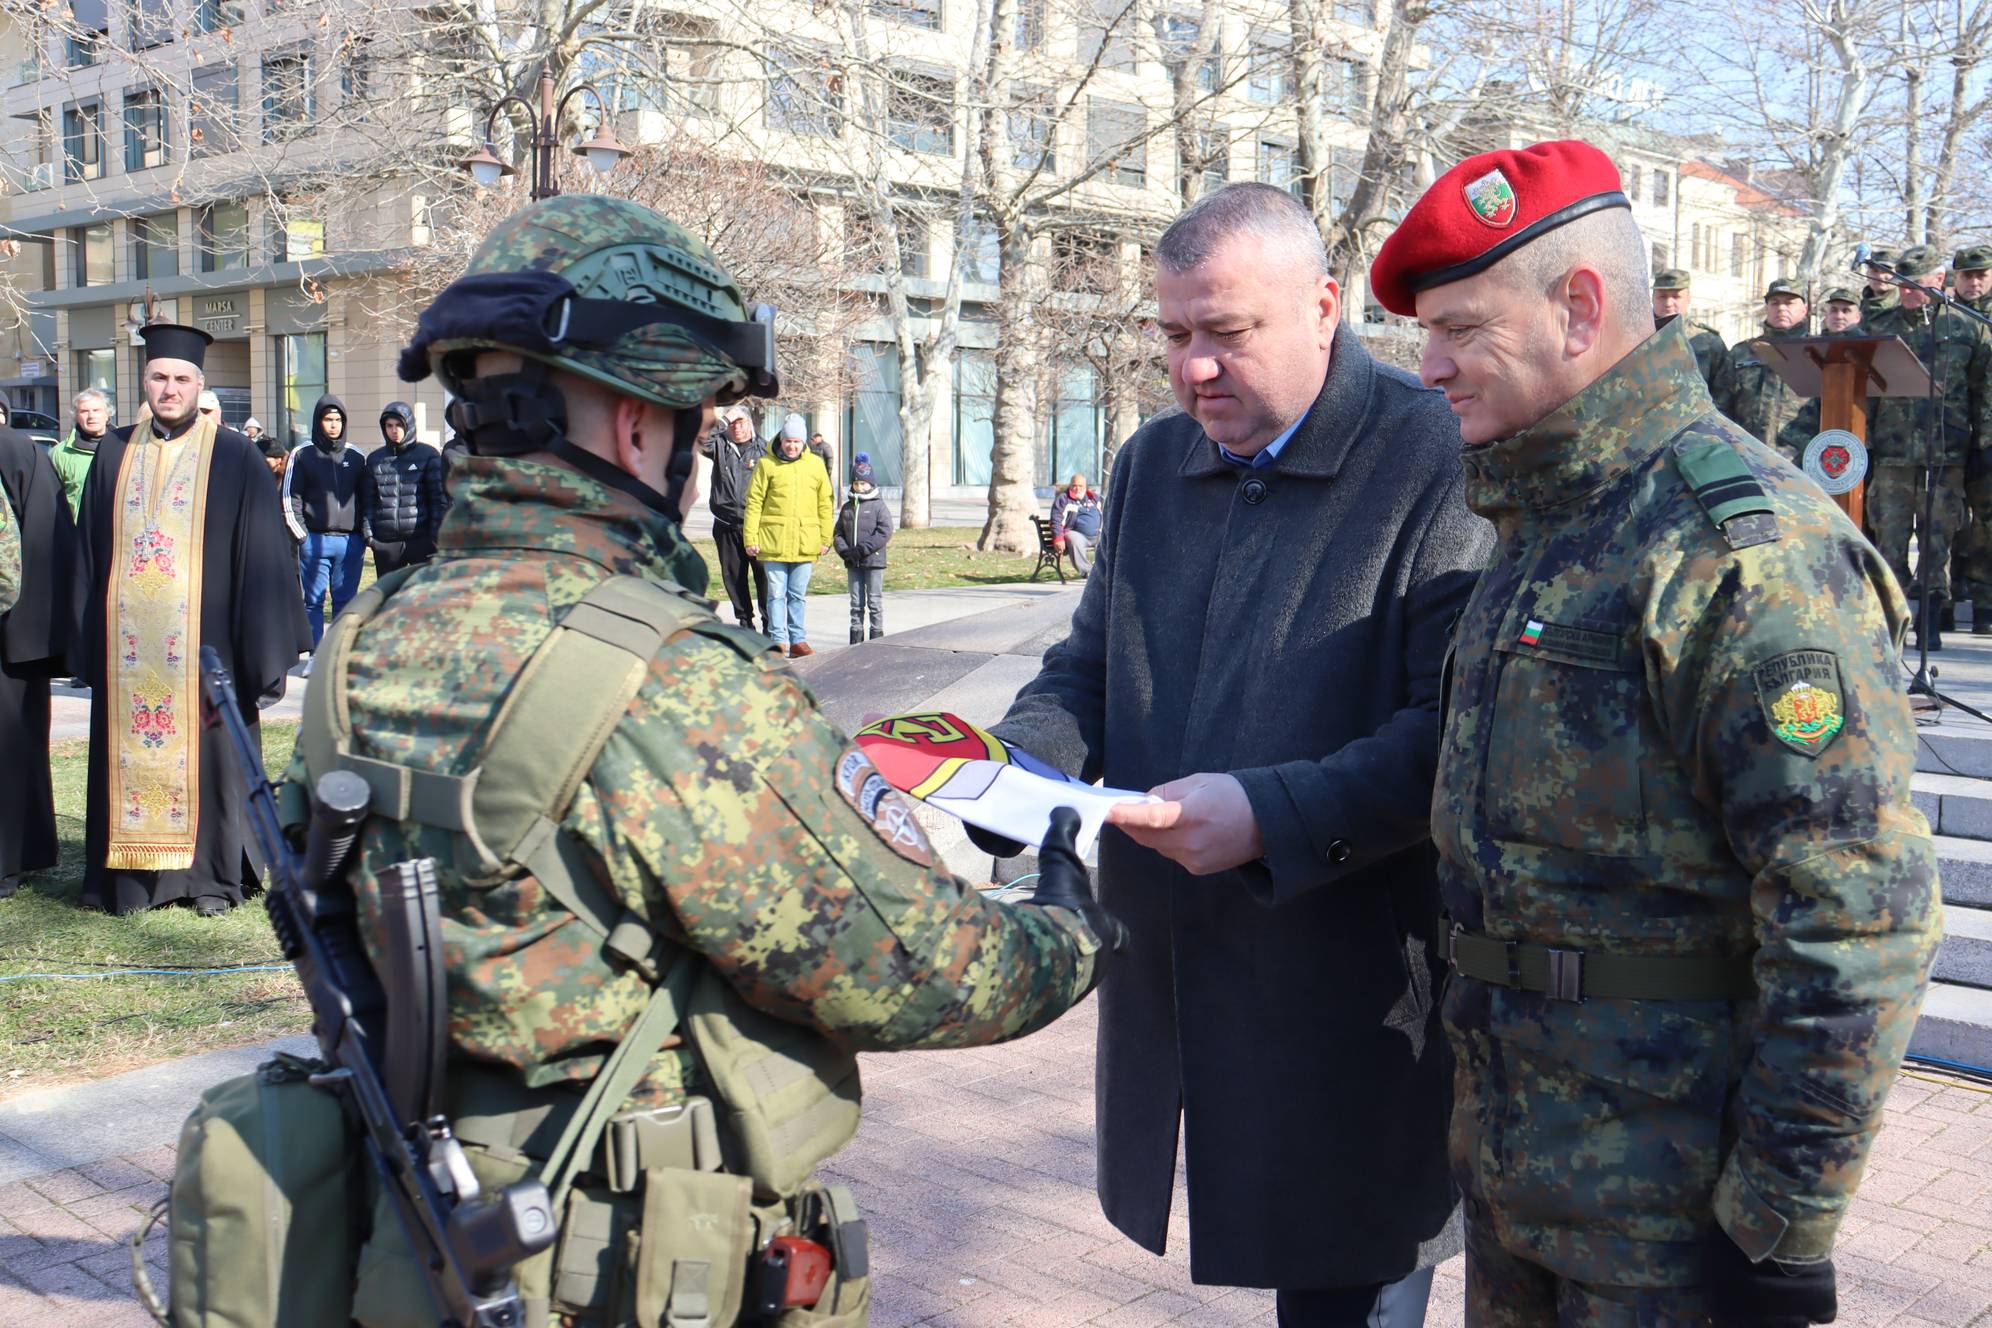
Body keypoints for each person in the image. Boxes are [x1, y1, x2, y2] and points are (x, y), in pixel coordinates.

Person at [281, 193, 1117, 1327]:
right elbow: (923, 965)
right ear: (637, 424)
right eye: (695, 420)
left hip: (423, 1240)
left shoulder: (368, 636)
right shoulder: (669, 675)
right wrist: (1067, 916)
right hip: (622, 1265)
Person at [1371, 137, 1940, 1327]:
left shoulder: (1744, 550)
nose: (1428, 366)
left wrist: (1782, 1226)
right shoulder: (1542, 526)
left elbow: (1857, 913)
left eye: (1461, 328)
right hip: (1522, 1185)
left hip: (1674, 1226)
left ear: (1579, 308)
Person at [983, 182, 1485, 1326]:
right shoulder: (1152, 464)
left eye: (1228, 333)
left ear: (1322, 305)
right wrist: (1004, 764)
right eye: (1174, 335)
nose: (1195, 369)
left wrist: (1271, 814)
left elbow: (1451, 733)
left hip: (1351, 989)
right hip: (1177, 965)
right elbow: (1087, 670)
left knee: (1347, 1281)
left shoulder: (1436, 458)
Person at [69, 323, 310, 915]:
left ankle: (210, 880)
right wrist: (83, 636)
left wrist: (260, 649)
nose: (168, 388)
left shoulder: (233, 455)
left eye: (180, 379)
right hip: (129, 655)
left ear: (199, 385)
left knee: (212, 760)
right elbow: (88, 551)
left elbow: (263, 557)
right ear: (143, 383)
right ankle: (128, 884)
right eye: (158, 377)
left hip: (208, 651)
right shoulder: (114, 452)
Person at [1781, 245, 1992, 651]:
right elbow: (1848, 379)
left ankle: (1930, 618)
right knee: (1889, 541)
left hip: (1943, 454)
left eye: (1919, 285)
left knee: (1937, 541)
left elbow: (1984, 392)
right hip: (1891, 455)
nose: (1911, 293)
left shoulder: (1968, 327)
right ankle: (1892, 618)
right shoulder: (1880, 327)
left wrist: (1984, 445)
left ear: (1939, 280)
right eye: (1905, 286)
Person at [0, 419, 73, 899]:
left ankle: (12, 856)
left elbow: (45, 539)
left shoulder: (15, 450)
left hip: (10, 637)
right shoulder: (23, 449)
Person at [283, 394, 368, 660]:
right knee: (314, 602)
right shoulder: (302, 454)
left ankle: (339, 655)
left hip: (349, 544)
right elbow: (289, 497)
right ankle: (317, 657)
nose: (333, 425)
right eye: (328, 419)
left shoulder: (356, 456)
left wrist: (363, 535)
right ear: (318, 421)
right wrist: (302, 537)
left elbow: (366, 498)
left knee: (345, 604)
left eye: (338, 420)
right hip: (315, 541)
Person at [744, 412, 832, 658]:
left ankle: (798, 640)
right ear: (781, 440)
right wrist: (751, 538)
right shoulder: (766, 464)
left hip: (806, 541)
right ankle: (778, 639)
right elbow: (754, 502)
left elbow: (825, 503)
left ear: (803, 442)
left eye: (797, 441)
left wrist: (826, 538)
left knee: (797, 595)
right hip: (773, 540)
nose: (792, 446)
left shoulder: (815, 465)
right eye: (788, 441)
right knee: (775, 594)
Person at [1718, 278, 1811, 454]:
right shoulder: (1743, 352)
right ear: (1766, 309)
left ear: (1804, 309)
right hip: (1748, 456)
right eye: (1775, 303)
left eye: (1789, 303)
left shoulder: (1819, 353)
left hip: (1801, 460)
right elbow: (1721, 407)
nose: (1781, 308)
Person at [698, 406, 765, 632]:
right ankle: (745, 621)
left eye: (741, 422)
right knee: (734, 577)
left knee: (764, 576)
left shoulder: (763, 449)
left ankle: (770, 622)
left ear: (750, 423)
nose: (737, 427)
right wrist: (725, 419)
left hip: (756, 526)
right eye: (733, 423)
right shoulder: (720, 445)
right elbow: (701, 441)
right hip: (726, 524)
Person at [362, 401, 446, 574]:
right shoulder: (374, 460)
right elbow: (368, 502)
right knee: (388, 596)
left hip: (422, 541)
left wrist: (435, 535)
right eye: (389, 425)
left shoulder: (428, 455)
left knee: (422, 595)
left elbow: (438, 500)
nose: (394, 430)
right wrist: (370, 537)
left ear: (409, 425)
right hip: (386, 543)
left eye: (399, 425)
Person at [833, 450, 893, 642]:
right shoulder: (847, 507)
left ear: (871, 484)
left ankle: (876, 637)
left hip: (873, 561)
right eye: (856, 483)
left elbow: (884, 531)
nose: (859, 486)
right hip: (853, 563)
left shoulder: (878, 506)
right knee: (856, 603)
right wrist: (845, 551)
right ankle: (855, 638)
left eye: (863, 483)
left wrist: (863, 549)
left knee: (874, 601)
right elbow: (838, 532)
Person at [1650, 267, 1727, 390]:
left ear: (1688, 299)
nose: (1669, 303)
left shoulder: (1708, 342)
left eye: (1676, 296)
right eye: (1662, 297)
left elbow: (1723, 394)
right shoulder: (1637, 338)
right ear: (1652, 298)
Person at [49, 386, 112, 518]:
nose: (91, 416)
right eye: (84, 411)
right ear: (76, 417)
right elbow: (49, 500)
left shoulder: (124, 447)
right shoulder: (60, 454)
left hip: (117, 532)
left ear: (107, 414)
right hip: (78, 533)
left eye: (96, 410)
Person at [1047, 472, 1103, 574]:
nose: (1077, 488)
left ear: (1085, 486)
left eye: (1080, 486)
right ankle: (1088, 572)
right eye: (1074, 485)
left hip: (1097, 535)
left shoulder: (1094, 498)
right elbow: (1056, 520)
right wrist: (1058, 539)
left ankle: (1106, 572)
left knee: (1111, 540)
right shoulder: (1063, 499)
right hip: (1075, 533)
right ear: (1070, 485)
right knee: (1074, 539)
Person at [1956, 244, 1992, 315]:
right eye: (1967, 276)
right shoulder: (1935, 312)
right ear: (1955, 277)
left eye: (1981, 276)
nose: (1974, 283)